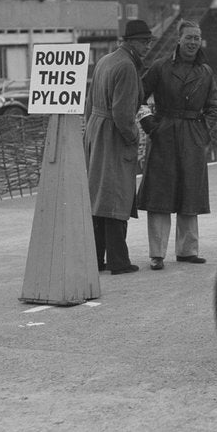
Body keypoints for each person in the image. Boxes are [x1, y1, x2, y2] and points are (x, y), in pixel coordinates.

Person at [137, 20, 217, 271]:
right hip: (164, 134)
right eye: (189, 37)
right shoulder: (160, 67)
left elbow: (213, 107)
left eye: (197, 38)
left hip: (193, 137)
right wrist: (150, 125)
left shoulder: (206, 72)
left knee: (190, 193)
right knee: (160, 195)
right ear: (179, 40)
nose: (193, 42)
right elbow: (138, 97)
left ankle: (187, 251)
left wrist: (203, 132)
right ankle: (157, 254)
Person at [83, 19, 155, 275]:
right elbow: (123, 114)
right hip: (113, 135)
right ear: (131, 42)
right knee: (116, 196)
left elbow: (89, 103)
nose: (147, 46)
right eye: (144, 42)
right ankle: (118, 260)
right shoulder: (126, 66)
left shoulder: (105, 60)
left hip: (96, 130)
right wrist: (134, 136)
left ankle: (96, 258)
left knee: (99, 197)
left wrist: (92, 131)